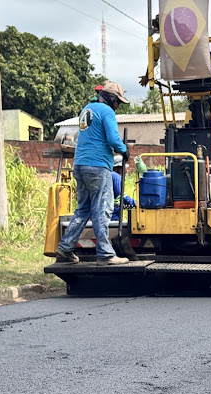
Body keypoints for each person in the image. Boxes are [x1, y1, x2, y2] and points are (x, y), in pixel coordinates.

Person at [55, 80, 131, 265]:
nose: (118, 106)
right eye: (118, 102)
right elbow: (113, 139)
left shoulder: (86, 109)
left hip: (80, 165)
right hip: (98, 166)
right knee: (102, 209)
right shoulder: (107, 112)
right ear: (111, 98)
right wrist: (124, 150)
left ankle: (65, 249)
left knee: (84, 209)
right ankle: (105, 254)